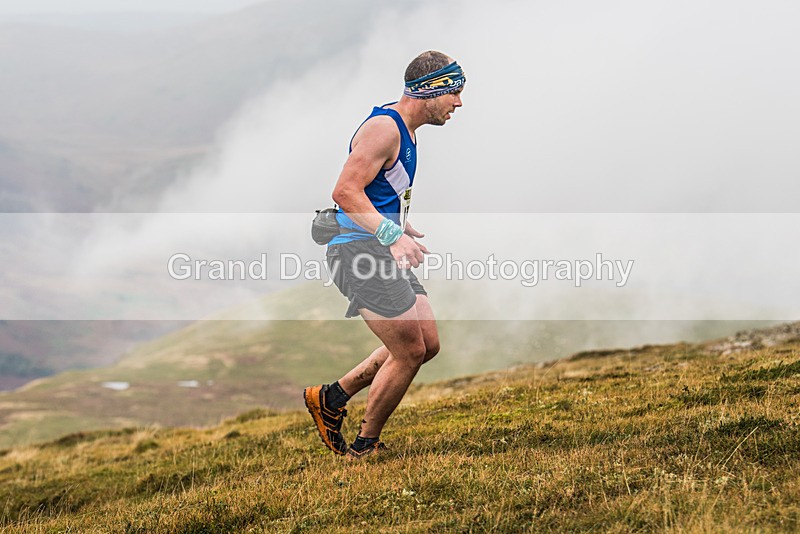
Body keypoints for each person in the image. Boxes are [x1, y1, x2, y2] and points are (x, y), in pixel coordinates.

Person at [304, 50, 465, 459]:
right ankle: (365, 446)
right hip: (359, 253)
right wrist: (392, 233)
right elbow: (344, 192)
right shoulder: (385, 129)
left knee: (427, 344)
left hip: (379, 245)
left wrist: (397, 221)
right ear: (430, 91)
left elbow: (374, 190)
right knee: (408, 351)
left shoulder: (407, 130)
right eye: (454, 93)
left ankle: (332, 397)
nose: (459, 104)